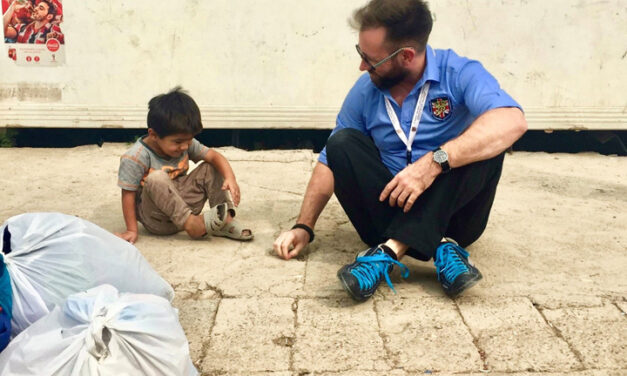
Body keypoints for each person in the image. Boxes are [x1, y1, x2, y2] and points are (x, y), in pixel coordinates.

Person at [273, 0, 527, 301]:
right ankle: (441, 249)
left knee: (487, 143)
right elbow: (330, 162)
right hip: (387, 212)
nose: (362, 66)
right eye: (361, 54)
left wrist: (434, 162)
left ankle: (389, 251)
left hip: (456, 219)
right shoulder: (365, 91)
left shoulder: (458, 72)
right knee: (341, 143)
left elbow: (513, 120)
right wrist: (304, 226)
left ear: (406, 55)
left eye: (371, 59)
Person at [115, 87, 253, 244]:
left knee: (211, 166)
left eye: (189, 140)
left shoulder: (185, 143)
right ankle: (192, 224)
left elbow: (214, 156)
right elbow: (128, 194)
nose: (185, 147)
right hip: (157, 219)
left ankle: (225, 220)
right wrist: (132, 230)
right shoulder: (135, 157)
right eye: (178, 142)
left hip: (186, 207)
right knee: (157, 177)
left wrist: (230, 178)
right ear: (153, 135)